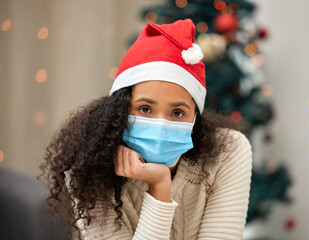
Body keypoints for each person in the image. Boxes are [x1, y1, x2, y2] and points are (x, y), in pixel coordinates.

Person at [40, 19, 253, 240]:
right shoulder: (87, 166)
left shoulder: (230, 151)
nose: (160, 125)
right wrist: (160, 187)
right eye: (145, 108)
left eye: (178, 113)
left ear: (195, 119)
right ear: (120, 109)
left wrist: (159, 181)